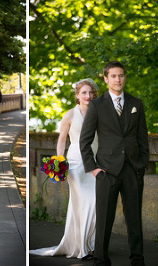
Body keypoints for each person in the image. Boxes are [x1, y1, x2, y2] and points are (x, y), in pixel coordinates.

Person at [79, 61, 149, 266]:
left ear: (124, 77)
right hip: (106, 171)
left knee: (134, 219)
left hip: (133, 170)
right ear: (106, 79)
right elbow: (85, 140)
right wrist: (93, 169)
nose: (118, 79)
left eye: (121, 75)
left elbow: (142, 137)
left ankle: (138, 260)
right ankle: (101, 260)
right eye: (114, 76)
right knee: (104, 219)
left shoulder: (137, 103)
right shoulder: (97, 105)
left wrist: (143, 164)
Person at [29, 79, 99, 259]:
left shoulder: (99, 113)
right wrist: (59, 163)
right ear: (77, 95)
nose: (87, 96)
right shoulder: (69, 115)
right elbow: (61, 141)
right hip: (75, 163)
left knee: (95, 205)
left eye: (90, 93)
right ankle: (83, 250)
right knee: (85, 203)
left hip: (96, 163)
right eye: (83, 93)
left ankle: (90, 244)